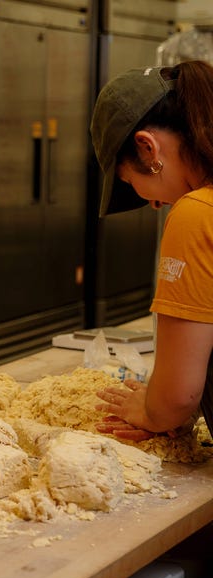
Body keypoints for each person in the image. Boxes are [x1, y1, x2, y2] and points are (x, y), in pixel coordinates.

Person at [88, 61, 213, 441]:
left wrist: (152, 411)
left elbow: (176, 397)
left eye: (132, 182)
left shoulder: (196, 212)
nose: (154, 204)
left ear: (148, 148)